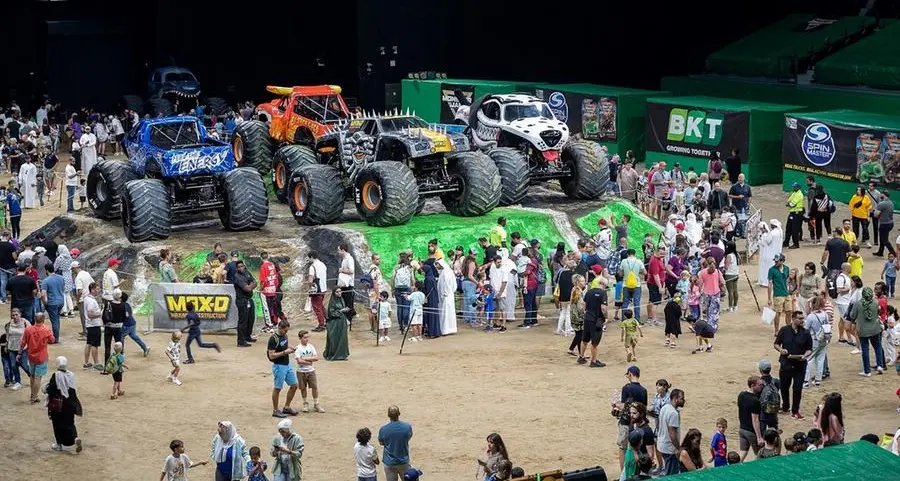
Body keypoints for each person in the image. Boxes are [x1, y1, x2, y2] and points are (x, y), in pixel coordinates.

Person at [774, 311, 813, 419]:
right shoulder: (784, 330)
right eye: (800, 318)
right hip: (786, 363)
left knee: (797, 388)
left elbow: (809, 349)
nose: (802, 320)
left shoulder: (806, 333)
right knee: (784, 386)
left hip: (800, 364)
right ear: (793, 319)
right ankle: (785, 406)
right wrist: (781, 350)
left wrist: (805, 355)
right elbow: (776, 344)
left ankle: (795, 410)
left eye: (802, 318)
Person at [43, 356, 82, 453]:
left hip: (59, 406)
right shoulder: (71, 375)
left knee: (58, 424)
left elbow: (51, 390)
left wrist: (45, 389)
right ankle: (75, 438)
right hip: (71, 403)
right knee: (70, 423)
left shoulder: (56, 375)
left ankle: (58, 444)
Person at [850, 286, 886, 376]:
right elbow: (878, 312)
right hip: (875, 329)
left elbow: (852, 316)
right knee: (877, 346)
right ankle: (880, 365)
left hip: (863, 330)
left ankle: (867, 371)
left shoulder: (858, 304)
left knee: (865, 349)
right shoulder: (876, 302)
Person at [267, 320, 299, 418]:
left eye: (287, 330)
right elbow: (271, 356)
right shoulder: (273, 339)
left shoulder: (285, 336)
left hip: (287, 364)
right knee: (278, 388)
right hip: (279, 366)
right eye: (285, 330)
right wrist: (285, 352)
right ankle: (275, 410)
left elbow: (283, 347)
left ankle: (286, 407)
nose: (286, 332)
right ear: (280, 328)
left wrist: (290, 349)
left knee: (294, 385)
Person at [21, 312, 54, 403]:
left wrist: (19, 352)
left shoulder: (28, 330)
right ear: (43, 320)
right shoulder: (46, 330)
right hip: (42, 357)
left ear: (35, 319)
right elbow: (52, 340)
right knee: (38, 377)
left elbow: (23, 342)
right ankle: (34, 397)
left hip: (31, 356)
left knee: (32, 375)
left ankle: (32, 394)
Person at [379, 405, 413, 481]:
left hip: (389, 462)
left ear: (388, 415)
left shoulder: (383, 429)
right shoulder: (407, 427)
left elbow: (381, 443)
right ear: (399, 414)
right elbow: (409, 437)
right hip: (403, 461)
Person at [294, 330, 324, 413]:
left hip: (311, 370)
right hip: (301, 371)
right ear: (300, 338)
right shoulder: (298, 348)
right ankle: (305, 403)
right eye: (305, 337)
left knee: (314, 387)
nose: (307, 339)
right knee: (303, 388)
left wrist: (305, 359)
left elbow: (316, 358)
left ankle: (316, 403)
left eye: (307, 337)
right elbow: (299, 361)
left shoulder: (311, 346)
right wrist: (310, 361)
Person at [581, 279, 608, 368]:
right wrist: (606, 317)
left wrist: (586, 312)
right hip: (596, 320)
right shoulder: (603, 293)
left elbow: (583, 304)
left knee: (585, 340)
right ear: (604, 285)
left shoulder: (589, 291)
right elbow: (603, 308)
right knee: (595, 342)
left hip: (587, 317)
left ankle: (581, 356)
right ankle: (594, 361)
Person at [658, 389, 685, 476]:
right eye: (682, 398)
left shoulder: (665, 407)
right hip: (669, 448)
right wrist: (678, 448)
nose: (684, 400)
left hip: (662, 445)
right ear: (675, 399)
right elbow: (672, 434)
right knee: (671, 475)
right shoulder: (673, 413)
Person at [737, 376, 765, 461]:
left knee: (743, 453)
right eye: (759, 385)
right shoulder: (755, 401)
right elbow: (755, 420)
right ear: (752, 385)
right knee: (759, 455)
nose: (762, 387)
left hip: (742, 429)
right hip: (751, 432)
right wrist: (759, 437)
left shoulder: (741, 395)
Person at [233, 260, 258, 347]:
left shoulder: (247, 273)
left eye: (242, 266)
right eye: (239, 267)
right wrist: (251, 285)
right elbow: (247, 289)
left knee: (250, 318)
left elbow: (255, 282)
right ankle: (241, 341)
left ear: (244, 266)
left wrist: (251, 285)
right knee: (243, 321)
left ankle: (247, 336)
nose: (240, 268)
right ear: (237, 268)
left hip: (249, 299)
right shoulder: (237, 277)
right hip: (242, 300)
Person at [324, 287, 351, 360]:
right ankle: (334, 354)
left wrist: (345, 310)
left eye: (340, 291)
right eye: (337, 292)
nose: (339, 293)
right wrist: (341, 311)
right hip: (335, 323)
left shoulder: (342, 299)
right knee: (336, 338)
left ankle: (342, 354)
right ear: (334, 293)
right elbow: (331, 313)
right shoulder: (332, 301)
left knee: (343, 338)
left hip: (342, 322)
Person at [768, 254, 791, 336]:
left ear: (782, 261)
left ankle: (789, 329)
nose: (776, 262)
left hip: (786, 293)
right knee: (778, 313)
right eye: (775, 261)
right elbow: (770, 284)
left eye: (777, 261)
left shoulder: (787, 268)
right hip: (778, 294)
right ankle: (776, 330)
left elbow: (788, 280)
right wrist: (769, 298)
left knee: (789, 311)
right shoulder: (772, 270)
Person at [307, 252, 328, 332]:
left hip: (316, 290)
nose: (308, 259)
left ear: (312, 257)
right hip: (323, 288)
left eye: (309, 258)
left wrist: (310, 287)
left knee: (317, 307)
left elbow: (310, 280)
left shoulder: (312, 267)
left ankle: (321, 324)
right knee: (321, 306)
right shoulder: (323, 264)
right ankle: (327, 320)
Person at [337, 243, 357, 326]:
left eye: (338, 250)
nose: (338, 252)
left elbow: (351, 271)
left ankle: (349, 320)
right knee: (345, 302)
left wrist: (342, 270)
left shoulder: (349, 259)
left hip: (348, 284)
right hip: (344, 284)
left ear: (343, 250)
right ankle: (349, 317)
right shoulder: (344, 259)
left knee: (348, 303)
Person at [874, 191, 896, 257]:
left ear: (883, 195)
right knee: (882, 238)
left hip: (884, 224)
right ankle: (880, 252)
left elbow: (876, 215)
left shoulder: (881, 204)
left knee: (885, 240)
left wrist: (875, 211)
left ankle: (894, 254)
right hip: (890, 223)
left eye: (881, 194)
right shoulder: (891, 203)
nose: (880, 195)